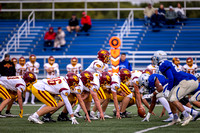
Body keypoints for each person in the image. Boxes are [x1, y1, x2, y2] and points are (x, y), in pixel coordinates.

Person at [152, 50, 198, 126]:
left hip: (187, 80)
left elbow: (171, 78)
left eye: (155, 58)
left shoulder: (163, 64)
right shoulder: (166, 63)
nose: (154, 60)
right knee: (169, 97)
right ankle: (175, 118)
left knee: (173, 99)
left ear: (158, 58)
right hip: (184, 81)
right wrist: (167, 89)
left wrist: (168, 89)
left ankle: (187, 116)